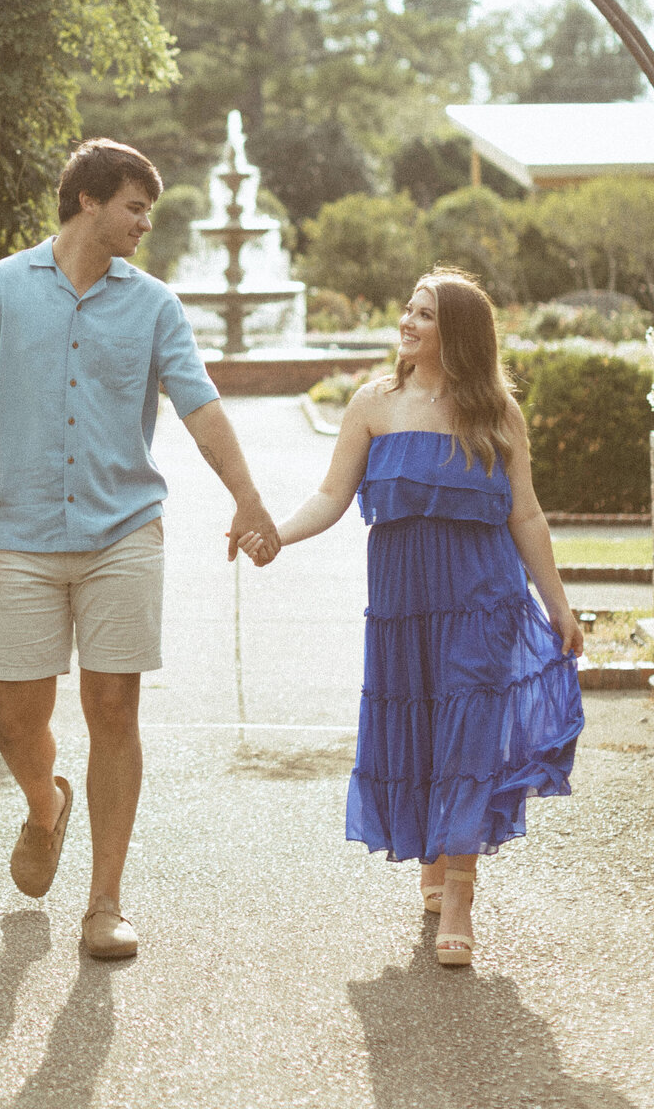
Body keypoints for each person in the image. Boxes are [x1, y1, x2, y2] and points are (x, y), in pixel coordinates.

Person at [0, 137, 280, 959]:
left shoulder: (153, 304)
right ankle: (45, 806)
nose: (144, 223)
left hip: (123, 531)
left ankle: (105, 902)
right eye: (134, 206)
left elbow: (200, 407)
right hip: (18, 535)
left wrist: (248, 494)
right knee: (17, 720)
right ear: (88, 200)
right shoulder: (0, 290)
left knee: (113, 709)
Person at [240, 269, 584, 967]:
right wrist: (275, 532)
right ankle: (436, 848)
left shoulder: (497, 414)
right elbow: (332, 495)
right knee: (423, 723)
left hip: (481, 597)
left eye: (423, 314)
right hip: (402, 602)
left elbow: (526, 514)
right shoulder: (374, 403)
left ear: (455, 332)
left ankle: (460, 891)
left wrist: (559, 607)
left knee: (466, 733)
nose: (407, 322)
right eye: (407, 309)